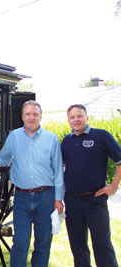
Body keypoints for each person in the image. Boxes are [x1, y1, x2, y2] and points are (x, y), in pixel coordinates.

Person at [0, 100, 64, 267]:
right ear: (22, 117)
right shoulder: (14, 136)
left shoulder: (51, 139)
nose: (31, 117)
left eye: (35, 114)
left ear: (40, 116)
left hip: (46, 197)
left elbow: (58, 172)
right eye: (28, 114)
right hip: (21, 197)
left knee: (43, 242)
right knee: (21, 241)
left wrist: (58, 199)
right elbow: (4, 156)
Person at [61, 104, 121, 267]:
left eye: (79, 116)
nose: (76, 120)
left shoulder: (101, 136)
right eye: (72, 117)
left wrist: (114, 186)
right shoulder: (66, 141)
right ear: (68, 120)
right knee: (78, 247)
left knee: (102, 246)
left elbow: (120, 161)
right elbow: (60, 167)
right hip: (72, 202)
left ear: (87, 117)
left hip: (95, 201)